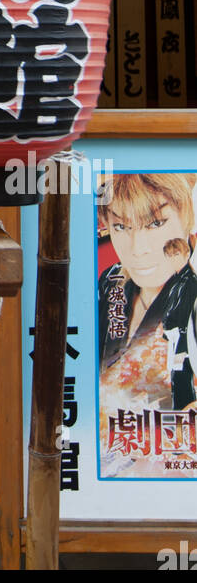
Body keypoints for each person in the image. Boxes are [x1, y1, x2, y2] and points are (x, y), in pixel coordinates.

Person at [97, 171, 197, 420]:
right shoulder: (111, 282)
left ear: (189, 217)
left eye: (156, 223)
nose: (137, 249)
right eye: (121, 226)